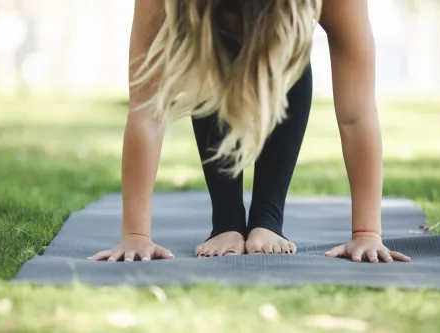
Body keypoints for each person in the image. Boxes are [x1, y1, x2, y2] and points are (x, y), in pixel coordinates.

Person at [88, 0, 411, 264]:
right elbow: (147, 110)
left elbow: (356, 116)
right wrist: (135, 236)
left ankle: (266, 219)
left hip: (282, 22)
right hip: (208, 23)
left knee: (280, 57)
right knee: (212, 56)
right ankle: (226, 222)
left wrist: (367, 233)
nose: (240, 45)